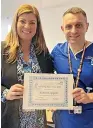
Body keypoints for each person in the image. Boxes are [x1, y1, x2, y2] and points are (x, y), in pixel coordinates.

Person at [1, 4, 54, 128]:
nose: (27, 26)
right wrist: (5, 93)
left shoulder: (42, 52)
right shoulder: (2, 49)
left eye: (32, 22)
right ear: (16, 23)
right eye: (23, 21)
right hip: (11, 119)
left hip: (38, 121)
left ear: (37, 26)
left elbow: (50, 79)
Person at [51, 7, 93, 128]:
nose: (73, 31)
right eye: (68, 26)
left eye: (78, 25)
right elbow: (43, 75)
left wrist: (89, 97)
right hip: (63, 120)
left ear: (87, 26)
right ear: (62, 29)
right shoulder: (57, 51)